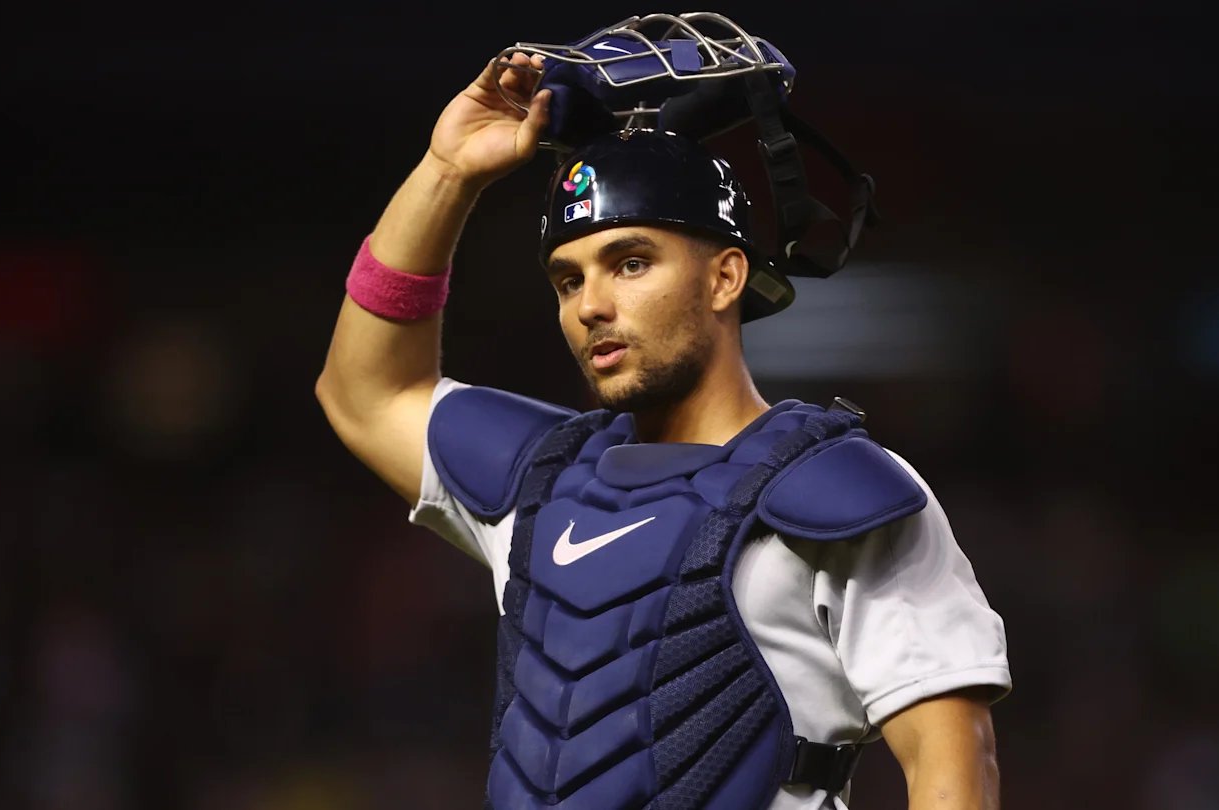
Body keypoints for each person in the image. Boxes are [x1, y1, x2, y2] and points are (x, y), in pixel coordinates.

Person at [316, 48, 1011, 810]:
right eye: (569, 279)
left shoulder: (835, 491)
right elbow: (364, 391)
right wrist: (447, 173)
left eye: (631, 263)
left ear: (726, 277)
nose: (591, 305)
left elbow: (952, 764)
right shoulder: (538, 483)